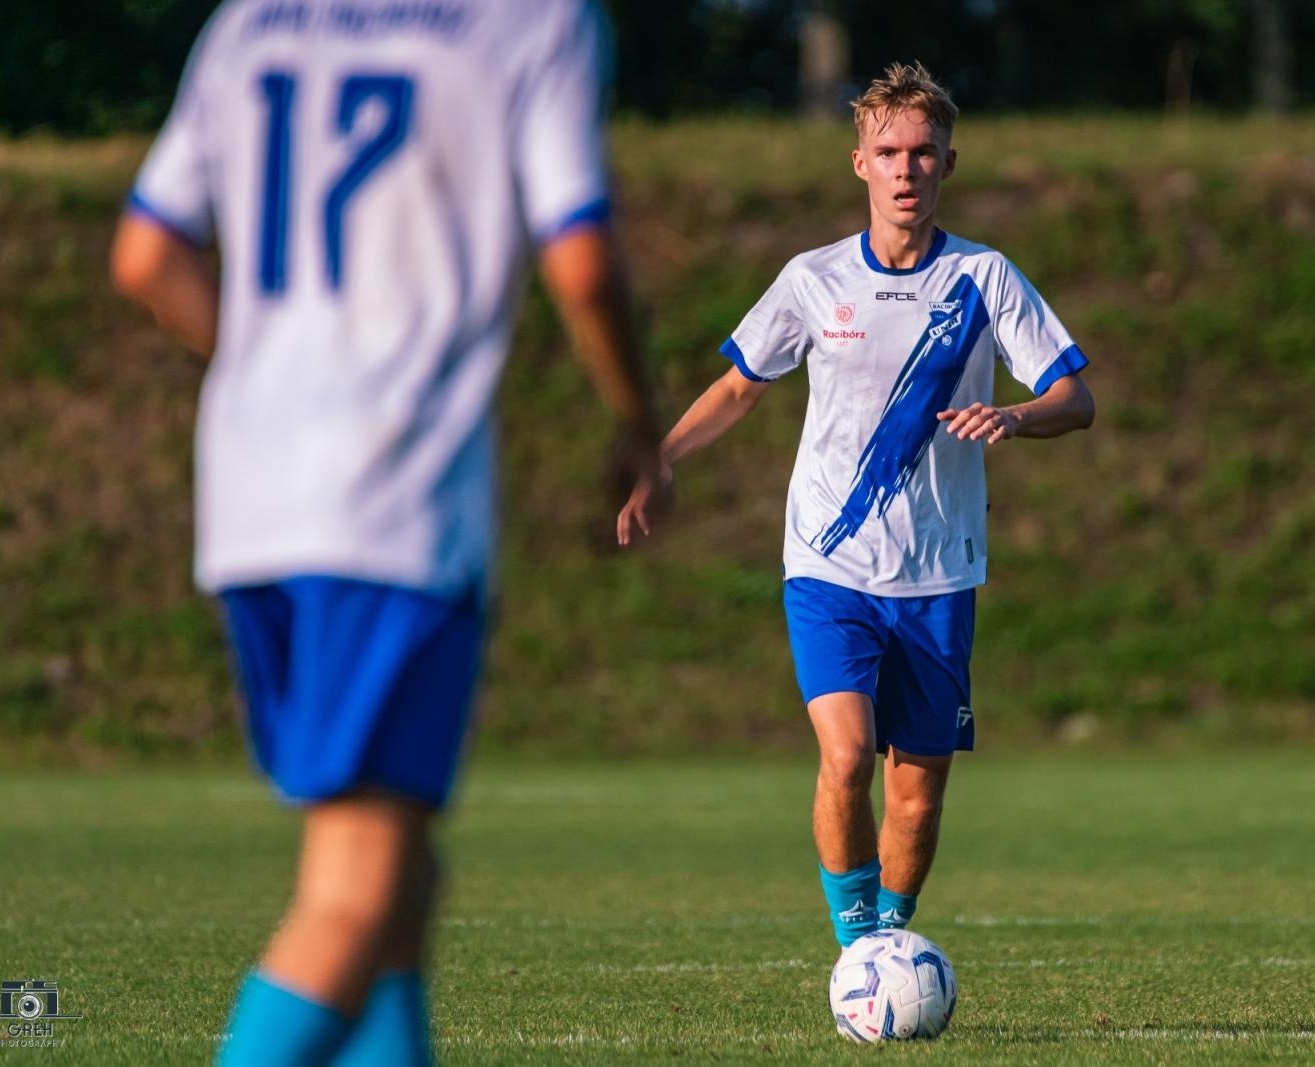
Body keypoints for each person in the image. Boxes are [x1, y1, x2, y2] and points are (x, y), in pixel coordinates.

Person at [111, 2, 666, 1063]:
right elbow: (582, 259)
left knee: (400, 876)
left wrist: (277, 376)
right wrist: (638, 429)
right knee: (357, 885)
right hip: (392, 491)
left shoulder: (252, 24)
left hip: (248, 497)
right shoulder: (530, 23)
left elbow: (144, 253)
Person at [618, 61, 1094, 952]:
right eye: (889, 152)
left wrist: (1018, 414)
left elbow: (1076, 395)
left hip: (940, 571)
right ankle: (861, 955)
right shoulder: (813, 279)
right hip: (829, 566)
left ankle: (889, 939)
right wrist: (661, 460)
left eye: (923, 152)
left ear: (949, 163)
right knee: (845, 756)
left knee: (916, 793)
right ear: (859, 165)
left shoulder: (985, 278)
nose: (907, 169)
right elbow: (737, 388)